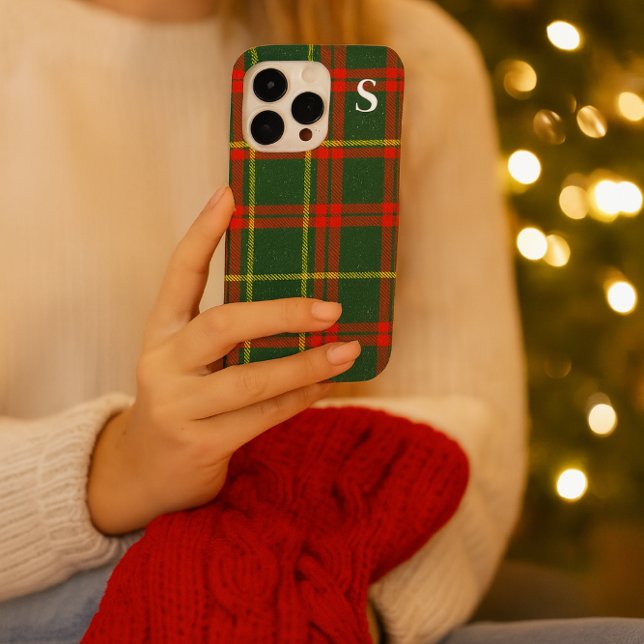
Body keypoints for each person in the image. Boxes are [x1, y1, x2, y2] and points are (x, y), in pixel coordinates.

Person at [0, 0, 530, 641]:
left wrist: (294, 594)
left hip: (335, 588)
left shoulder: (412, 52)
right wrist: (115, 469)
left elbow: (477, 445)